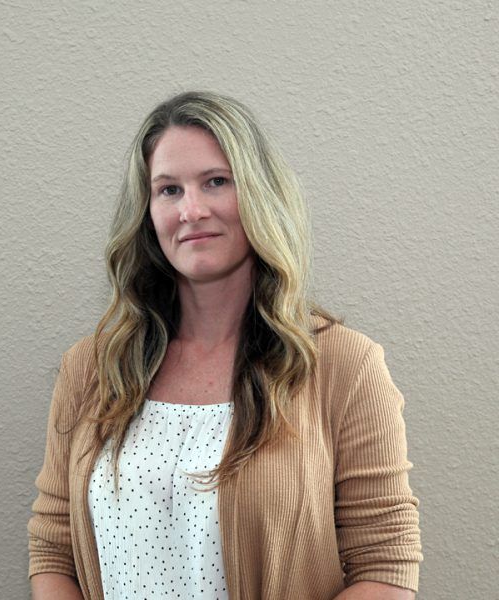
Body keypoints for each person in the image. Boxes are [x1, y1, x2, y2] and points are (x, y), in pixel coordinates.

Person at [28, 91, 422, 600]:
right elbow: (53, 545)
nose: (191, 210)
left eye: (215, 182)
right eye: (168, 190)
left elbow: (384, 560)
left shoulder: (343, 366)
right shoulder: (93, 369)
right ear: (147, 214)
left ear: (258, 195)